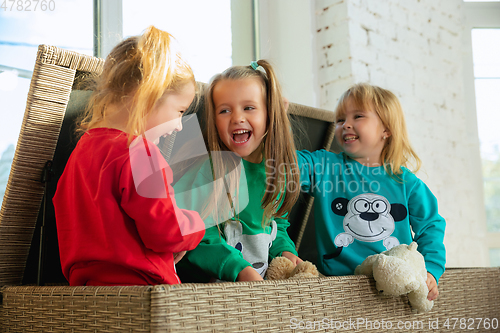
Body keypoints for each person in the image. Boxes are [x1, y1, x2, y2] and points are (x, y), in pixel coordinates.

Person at [53, 26, 205, 286]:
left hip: (85, 291)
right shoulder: (141, 152)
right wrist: (196, 225)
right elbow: (166, 231)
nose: (179, 125)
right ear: (150, 95)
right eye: (180, 111)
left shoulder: (81, 152)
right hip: (143, 289)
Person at [297, 83, 445, 301]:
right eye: (340, 120)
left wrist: (430, 269)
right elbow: (287, 166)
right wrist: (274, 122)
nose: (345, 125)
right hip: (336, 286)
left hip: (394, 284)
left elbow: (431, 226)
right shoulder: (324, 166)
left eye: (358, 116)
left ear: (386, 129)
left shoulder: (406, 182)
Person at [175, 60, 302, 282]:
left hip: (254, 290)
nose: (237, 118)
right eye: (224, 110)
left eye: (249, 108)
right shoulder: (210, 171)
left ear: (270, 114)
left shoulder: (276, 171)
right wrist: (239, 269)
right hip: (210, 292)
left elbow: (276, 226)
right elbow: (199, 235)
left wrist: (286, 253)